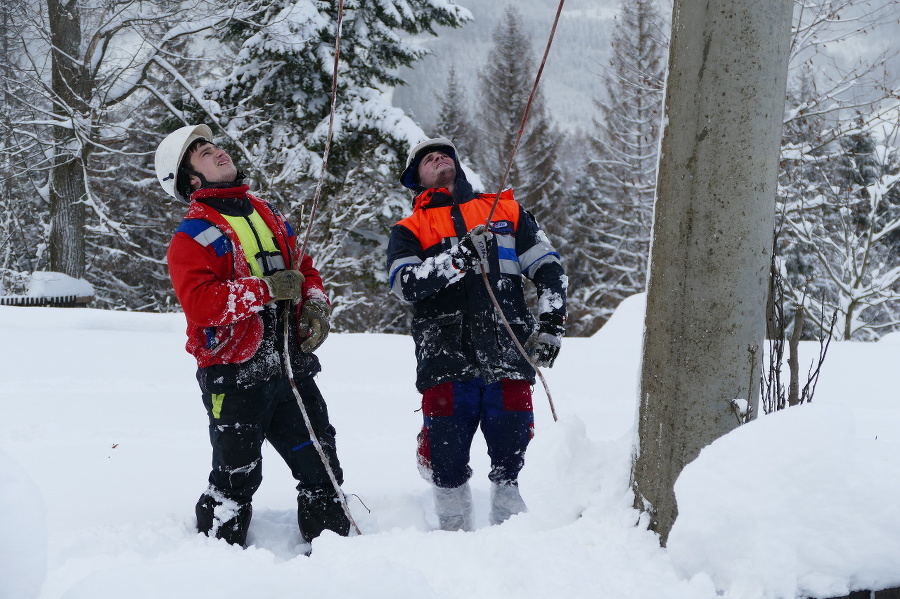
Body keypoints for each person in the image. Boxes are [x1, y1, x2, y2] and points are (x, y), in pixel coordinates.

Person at [155, 124, 351, 548]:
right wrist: (266, 289)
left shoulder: (269, 214)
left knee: (321, 463)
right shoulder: (191, 236)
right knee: (236, 475)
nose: (218, 152)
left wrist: (315, 302)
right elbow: (203, 305)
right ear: (191, 179)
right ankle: (219, 566)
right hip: (234, 372)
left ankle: (336, 558)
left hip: (290, 364)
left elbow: (306, 268)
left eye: (216, 146)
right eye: (204, 153)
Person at [386, 137, 567, 531]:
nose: (438, 158)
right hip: (445, 353)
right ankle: (452, 528)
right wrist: (457, 260)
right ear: (415, 178)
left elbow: (548, 267)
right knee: (447, 453)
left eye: (444, 153)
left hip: (508, 344)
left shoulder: (505, 209)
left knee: (512, 444)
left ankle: (510, 525)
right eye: (426, 159)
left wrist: (551, 324)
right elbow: (405, 284)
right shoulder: (409, 228)